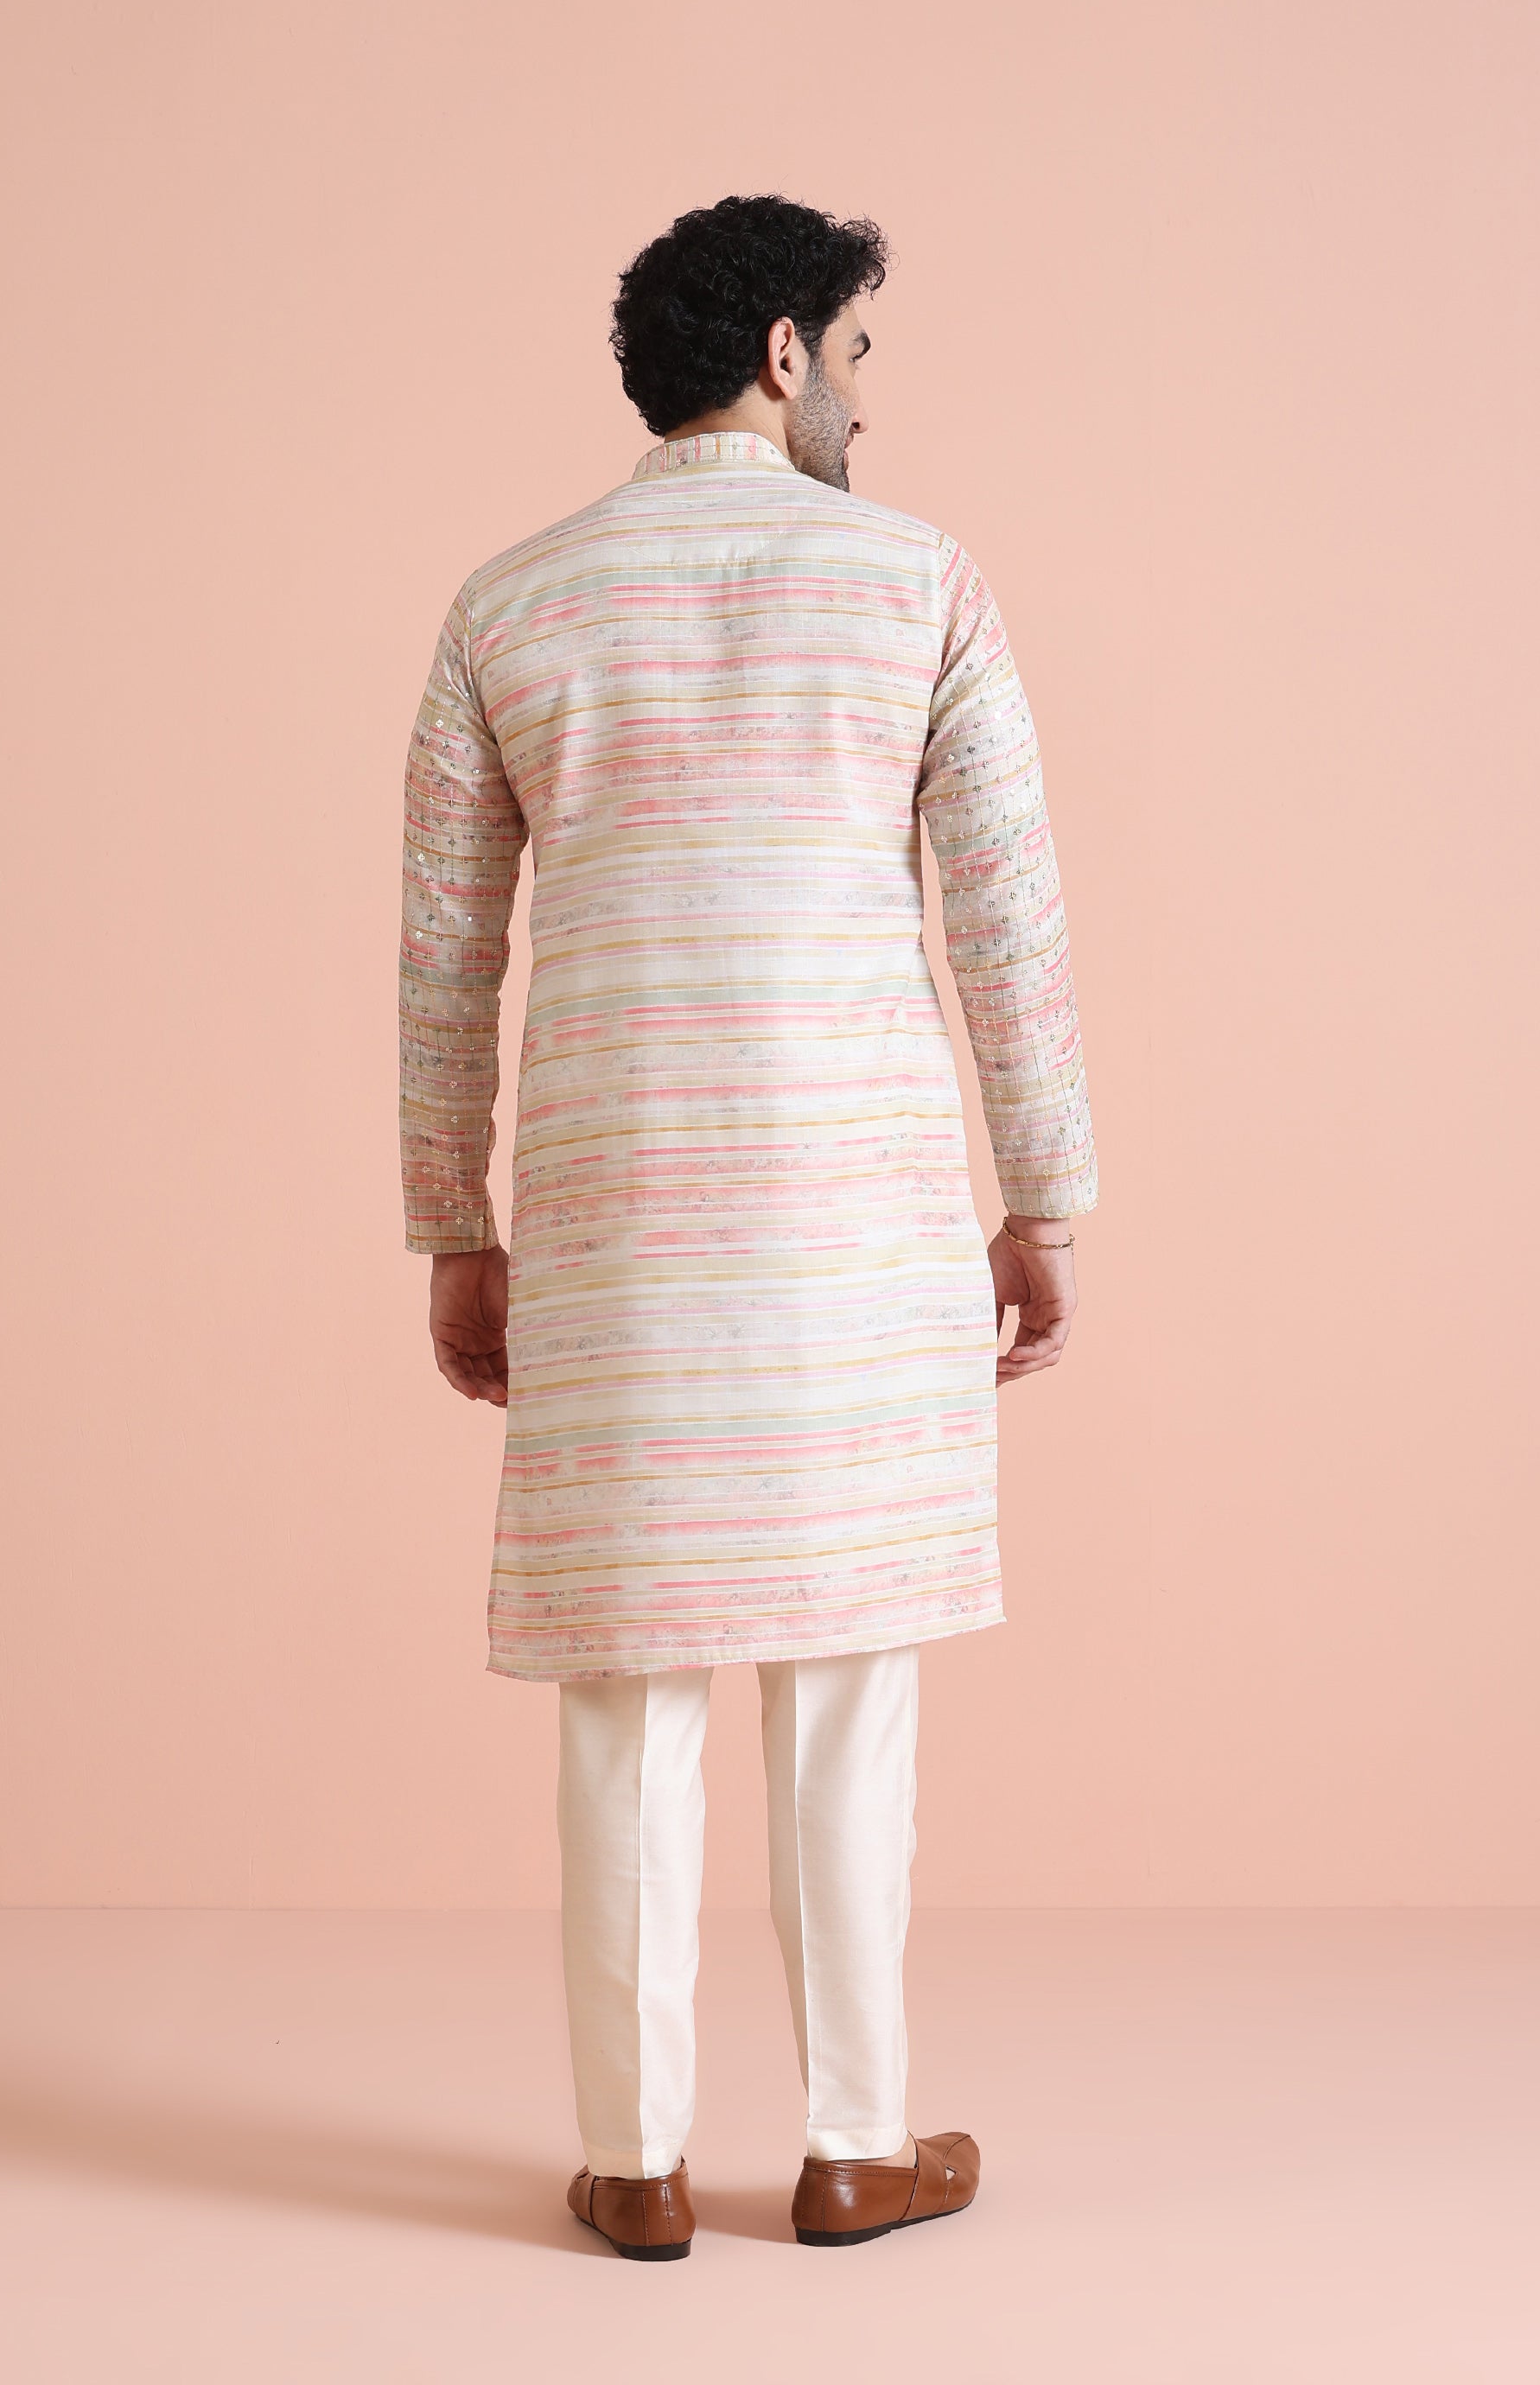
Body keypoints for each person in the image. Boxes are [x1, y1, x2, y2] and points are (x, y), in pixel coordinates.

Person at [398, 194, 1097, 2259]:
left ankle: (630, 2164)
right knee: (847, 1684)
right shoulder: (920, 584)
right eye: (856, 355)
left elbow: (449, 957)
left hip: (616, 1225)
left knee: (626, 1688)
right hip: (855, 1222)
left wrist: (453, 1224)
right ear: (785, 354)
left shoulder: (509, 605)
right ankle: (857, 2144)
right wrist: (1045, 1197)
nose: (864, 396)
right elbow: (1011, 925)